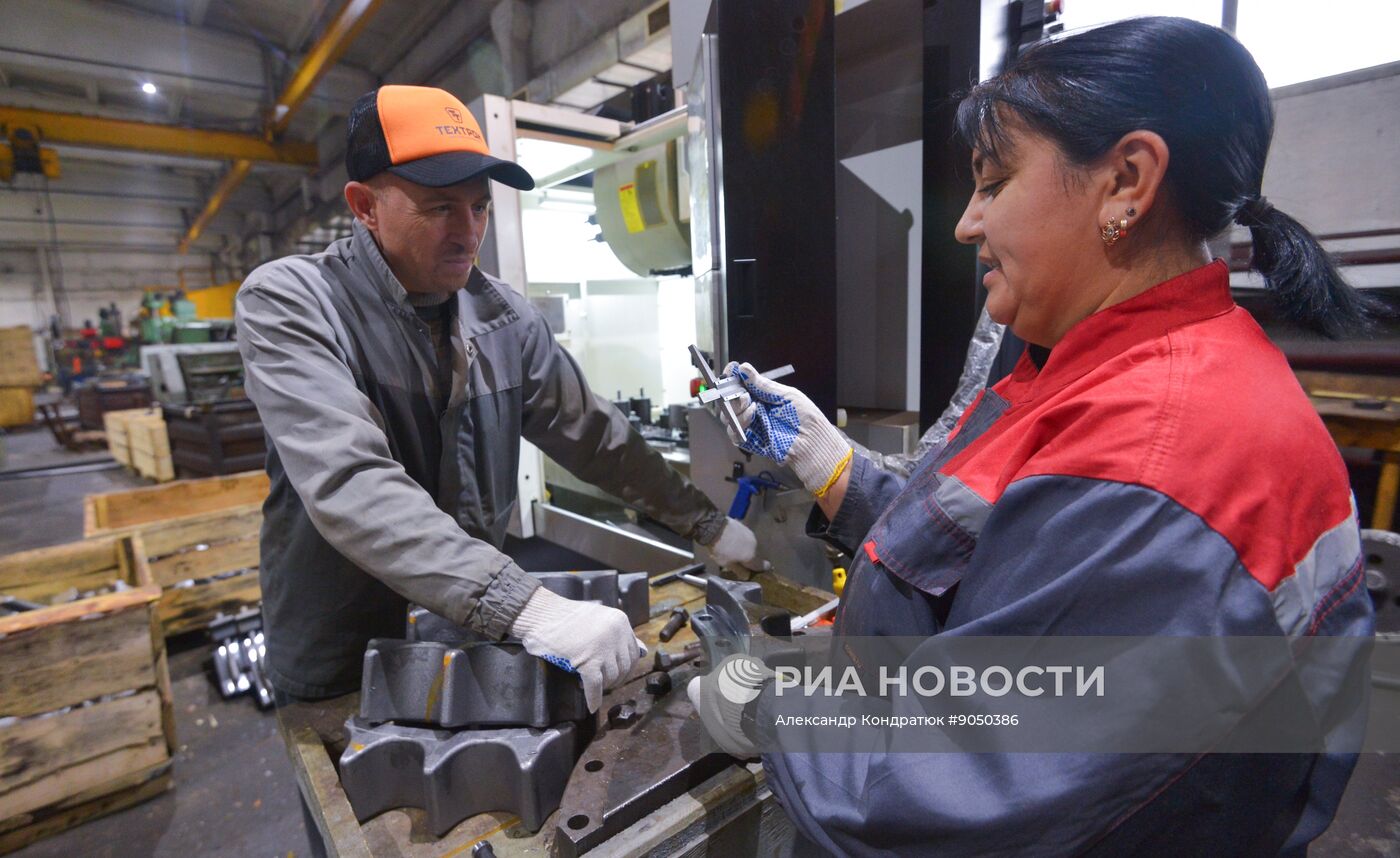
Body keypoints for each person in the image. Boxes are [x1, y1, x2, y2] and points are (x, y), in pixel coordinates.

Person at [689, 17, 1377, 855]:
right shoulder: (1090, 373)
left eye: (995, 181)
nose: (966, 224)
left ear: (1126, 180)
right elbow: (990, 549)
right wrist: (825, 455)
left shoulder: (1159, 466)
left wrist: (759, 702)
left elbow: (937, 794)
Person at [236, 85, 765, 714]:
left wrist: (702, 522)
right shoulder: (293, 302)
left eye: (480, 207)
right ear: (365, 206)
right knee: (357, 803)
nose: (468, 233)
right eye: (439, 208)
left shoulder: (504, 320)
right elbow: (350, 481)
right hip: (345, 652)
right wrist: (525, 607)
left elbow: (593, 437)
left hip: (464, 630)